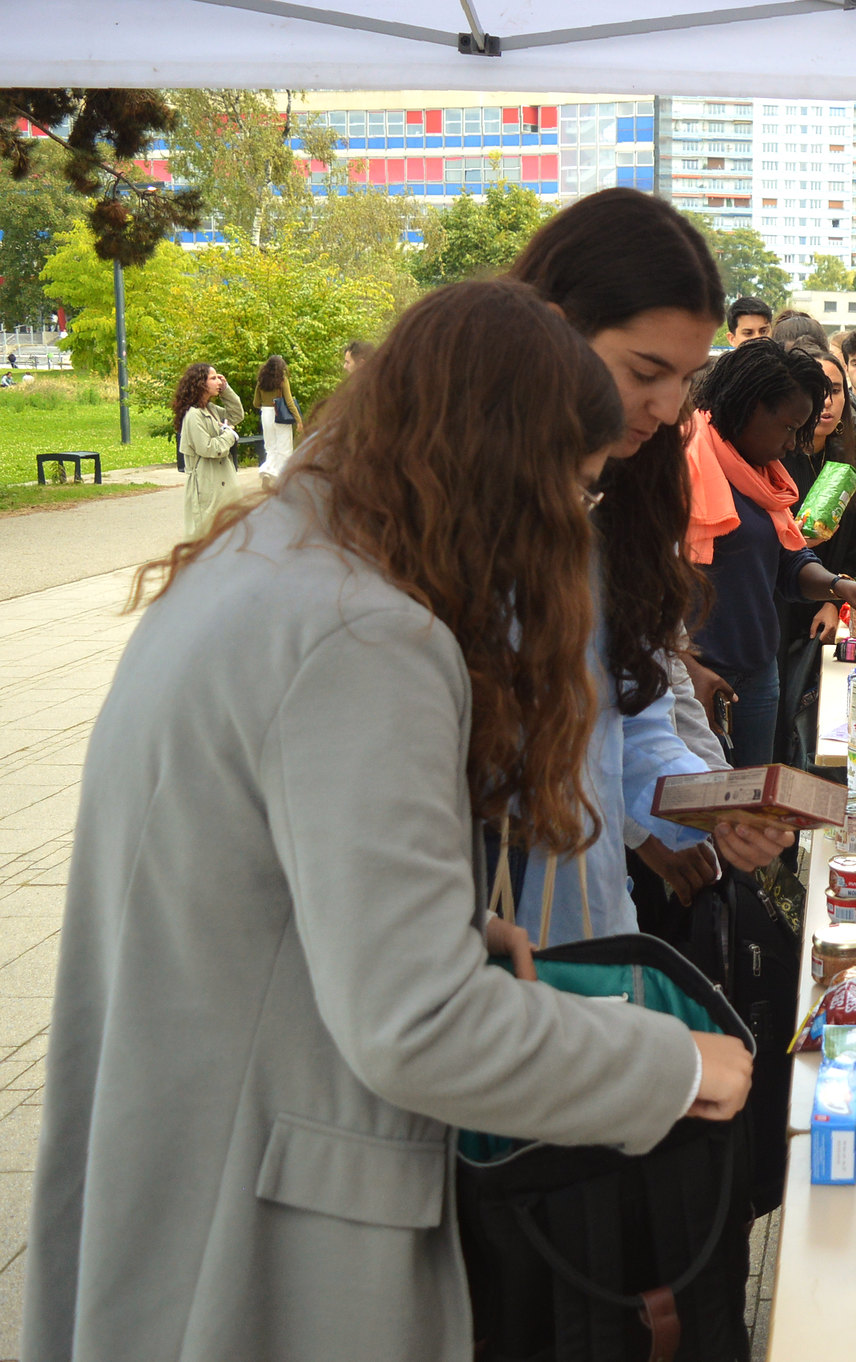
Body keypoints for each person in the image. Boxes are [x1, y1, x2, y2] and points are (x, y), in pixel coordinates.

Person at [22, 279, 753, 1362]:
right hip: (268, 1223)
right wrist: (677, 1066)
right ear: (505, 469)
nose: (574, 524)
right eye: (579, 490)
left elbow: (287, 905)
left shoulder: (264, 563)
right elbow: (415, 1024)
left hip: (185, 1159)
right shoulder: (366, 641)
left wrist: (458, 937)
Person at [503, 187, 791, 942]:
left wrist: (709, 801)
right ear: (554, 334)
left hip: (576, 932)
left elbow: (630, 715)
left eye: (684, 380)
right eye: (643, 371)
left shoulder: (620, 491)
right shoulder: (435, 527)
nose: (666, 408)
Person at [686, 339, 856, 766]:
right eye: (788, 428)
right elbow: (640, 587)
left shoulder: (762, 473)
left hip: (757, 670)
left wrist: (843, 588)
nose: (793, 444)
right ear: (747, 406)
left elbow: (788, 559)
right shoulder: (684, 464)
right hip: (697, 674)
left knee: (750, 804)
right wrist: (683, 666)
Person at [775, 339, 856, 769]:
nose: (827, 401)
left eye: (836, 390)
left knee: (820, 713)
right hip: (781, 604)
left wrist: (832, 599)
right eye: (818, 390)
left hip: (830, 600)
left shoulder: (852, 449)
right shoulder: (779, 455)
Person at [175, 361, 244, 539]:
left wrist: (226, 390)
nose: (218, 381)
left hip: (223, 481)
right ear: (200, 383)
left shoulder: (211, 409)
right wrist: (230, 435)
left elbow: (236, 415)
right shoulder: (193, 416)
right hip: (206, 484)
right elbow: (207, 448)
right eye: (213, 378)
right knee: (207, 536)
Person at [254, 354, 301, 486]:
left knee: (270, 448)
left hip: (266, 414)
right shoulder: (282, 380)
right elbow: (289, 402)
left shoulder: (261, 381)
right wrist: (298, 420)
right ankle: (283, 479)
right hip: (279, 415)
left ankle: (267, 472)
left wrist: (266, 404)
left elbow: (256, 403)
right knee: (284, 449)